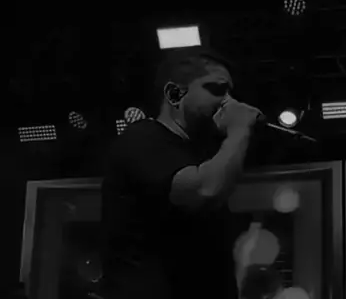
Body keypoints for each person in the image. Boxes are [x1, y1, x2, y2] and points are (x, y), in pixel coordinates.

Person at [100, 46, 262, 299]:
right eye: (217, 89)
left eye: (230, 92)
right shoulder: (143, 139)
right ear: (174, 94)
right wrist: (239, 129)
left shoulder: (199, 153)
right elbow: (203, 191)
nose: (228, 102)